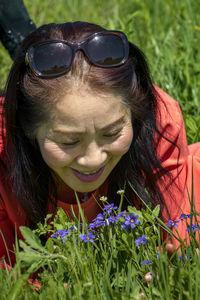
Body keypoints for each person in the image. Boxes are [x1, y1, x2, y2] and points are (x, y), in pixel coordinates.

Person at [0, 21, 200, 268]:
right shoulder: (3, 155)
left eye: (112, 133)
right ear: (27, 129)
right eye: (69, 141)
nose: (93, 159)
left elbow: (180, 246)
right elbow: (11, 274)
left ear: (136, 115)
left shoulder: (159, 124)